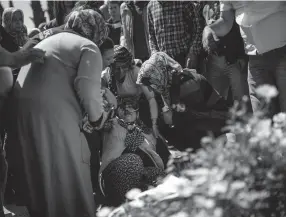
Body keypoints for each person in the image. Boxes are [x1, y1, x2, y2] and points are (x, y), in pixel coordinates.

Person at [7, 9, 110, 217]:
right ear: (96, 30)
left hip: (21, 117)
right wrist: (98, 119)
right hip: (54, 118)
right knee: (70, 183)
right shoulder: (88, 46)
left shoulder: (48, 40)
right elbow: (88, 89)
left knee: (42, 184)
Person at [202, 1, 286, 114]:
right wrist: (209, 29)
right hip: (255, 60)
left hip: (283, 52)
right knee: (262, 118)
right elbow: (226, 21)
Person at [137, 52, 229, 151]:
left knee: (180, 127)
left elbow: (192, 116)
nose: (150, 88)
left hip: (215, 121)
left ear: (160, 73)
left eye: (151, 83)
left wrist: (172, 116)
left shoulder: (187, 85)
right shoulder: (168, 82)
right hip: (198, 119)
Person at [99, 99, 165, 207]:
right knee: (132, 160)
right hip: (113, 173)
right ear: (118, 111)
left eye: (132, 107)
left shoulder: (143, 131)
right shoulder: (112, 124)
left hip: (138, 173)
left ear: (137, 113)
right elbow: (102, 123)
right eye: (124, 107)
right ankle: (126, 206)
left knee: (158, 175)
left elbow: (154, 155)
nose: (127, 110)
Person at [101, 45, 159, 137]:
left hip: (141, 109)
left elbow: (151, 98)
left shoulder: (136, 72)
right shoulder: (105, 76)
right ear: (110, 65)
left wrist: (154, 124)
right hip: (121, 112)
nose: (120, 71)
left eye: (123, 67)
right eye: (116, 68)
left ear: (128, 65)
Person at [203, 2, 248, 103]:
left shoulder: (231, 4)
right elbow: (202, 26)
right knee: (215, 98)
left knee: (240, 99)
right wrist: (206, 30)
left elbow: (241, 28)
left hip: (233, 60)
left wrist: (242, 56)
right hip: (214, 60)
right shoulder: (205, 6)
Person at [147, 1, 204, 69]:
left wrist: (193, 52)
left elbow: (198, 28)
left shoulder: (184, 3)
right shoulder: (150, 6)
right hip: (164, 62)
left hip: (185, 58)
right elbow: (151, 36)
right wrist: (155, 57)